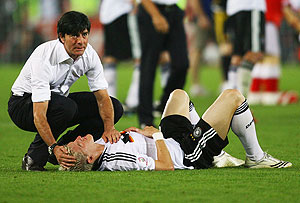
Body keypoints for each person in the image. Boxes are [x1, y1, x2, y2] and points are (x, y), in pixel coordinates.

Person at [61, 89, 292, 171]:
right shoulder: (114, 160)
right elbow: (165, 166)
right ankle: (256, 157)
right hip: (187, 152)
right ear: (90, 157)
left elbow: (130, 144)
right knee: (233, 97)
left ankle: (219, 156)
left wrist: (132, 133)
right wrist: (156, 134)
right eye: (79, 143)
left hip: (171, 139)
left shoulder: (99, 148)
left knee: (179, 95)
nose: (79, 137)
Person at [7, 11, 124, 171]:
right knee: (66, 107)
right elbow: (39, 114)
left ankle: (66, 150)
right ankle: (34, 159)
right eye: (74, 36)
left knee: (115, 107)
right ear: (62, 37)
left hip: (59, 103)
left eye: (84, 34)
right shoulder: (44, 57)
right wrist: (52, 146)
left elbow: (103, 98)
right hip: (23, 105)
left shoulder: (90, 55)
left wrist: (109, 128)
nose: (81, 41)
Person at [137, 0, 189, 127]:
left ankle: (165, 104)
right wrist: (156, 15)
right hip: (152, 10)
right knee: (149, 66)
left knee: (182, 64)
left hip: (174, 10)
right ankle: (146, 119)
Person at [248, 0, 299, 105]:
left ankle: (255, 92)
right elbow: (287, 10)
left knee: (258, 58)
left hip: (253, 24)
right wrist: (297, 24)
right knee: (272, 58)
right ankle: (270, 92)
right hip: (268, 24)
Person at [225, 0, 266, 96]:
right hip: (250, 6)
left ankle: (233, 94)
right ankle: (241, 98)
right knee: (254, 53)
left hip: (233, 8)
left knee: (237, 54)